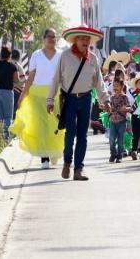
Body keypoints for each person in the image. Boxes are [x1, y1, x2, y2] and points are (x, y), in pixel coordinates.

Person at [47, 26, 110, 181]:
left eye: (88, 39)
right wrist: (50, 99)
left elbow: (99, 81)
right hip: (69, 100)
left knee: (83, 135)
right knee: (70, 133)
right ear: (75, 40)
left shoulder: (93, 58)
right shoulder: (65, 56)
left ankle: (78, 170)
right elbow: (56, 79)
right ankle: (67, 162)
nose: (86, 41)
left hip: (86, 98)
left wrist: (105, 99)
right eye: (83, 38)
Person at [12, 29, 64, 168]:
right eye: (49, 37)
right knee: (42, 127)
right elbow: (31, 77)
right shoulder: (36, 55)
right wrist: (23, 95)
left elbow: (64, 76)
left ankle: (56, 152)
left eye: (54, 37)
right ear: (43, 38)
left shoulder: (61, 54)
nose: (52, 39)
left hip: (55, 95)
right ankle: (45, 158)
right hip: (38, 95)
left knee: (56, 126)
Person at [108, 79, 131, 163]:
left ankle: (119, 155)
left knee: (121, 140)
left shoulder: (125, 97)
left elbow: (130, 108)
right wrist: (104, 107)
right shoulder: (112, 97)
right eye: (114, 86)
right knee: (111, 139)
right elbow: (108, 108)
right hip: (113, 121)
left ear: (122, 87)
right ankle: (112, 154)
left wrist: (125, 109)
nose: (115, 87)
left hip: (122, 121)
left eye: (117, 86)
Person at [0, 47, 18, 139]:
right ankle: (5, 136)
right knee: (7, 116)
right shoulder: (12, 66)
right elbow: (16, 80)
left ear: (0, 55)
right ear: (9, 56)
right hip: (8, 93)